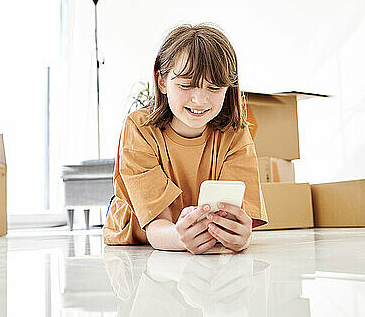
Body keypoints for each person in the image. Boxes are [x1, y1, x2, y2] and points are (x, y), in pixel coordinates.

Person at [103, 24, 268, 254]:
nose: (200, 100)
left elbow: (240, 218)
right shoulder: (139, 128)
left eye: (214, 87)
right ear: (162, 82)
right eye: (186, 85)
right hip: (140, 233)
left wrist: (241, 237)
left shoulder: (235, 133)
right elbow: (156, 227)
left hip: (195, 231)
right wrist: (181, 238)